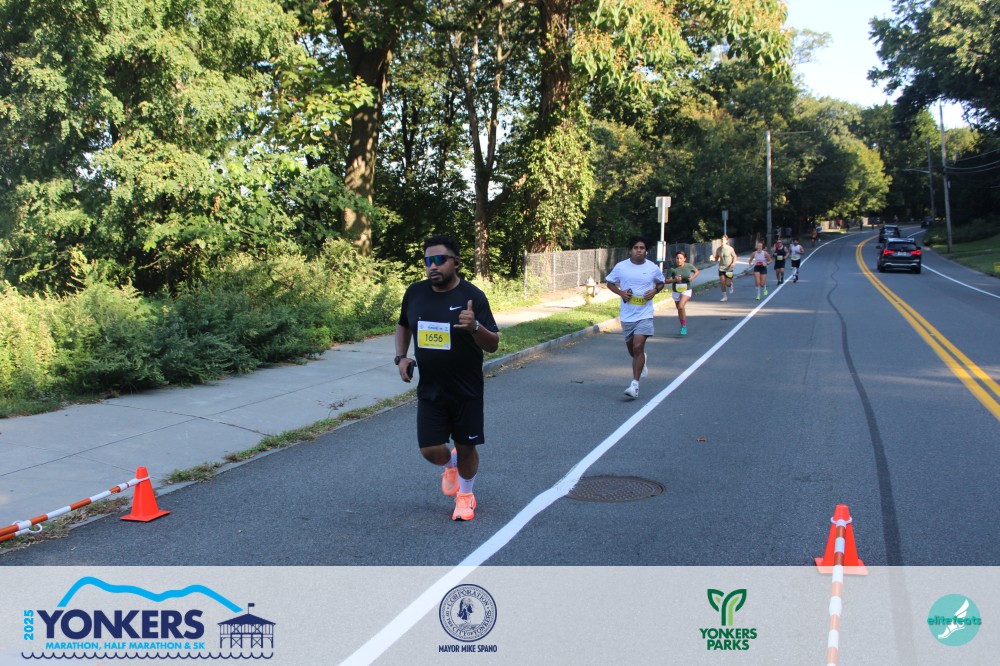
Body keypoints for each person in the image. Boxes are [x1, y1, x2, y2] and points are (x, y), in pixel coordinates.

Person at [395, 235, 500, 522]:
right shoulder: (415, 293)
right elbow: (403, 324)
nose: (433, 266)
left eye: (439, 260)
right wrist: (401, 356)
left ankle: (465, 496)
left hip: (466, 389)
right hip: (431, 387)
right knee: (430, 450)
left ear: (456, 262)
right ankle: (450, 463)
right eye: (428, 261)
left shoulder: (472, 296)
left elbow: (492, 344)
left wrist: (475, 326)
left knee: (467, 447)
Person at [606, 236, 666, 399]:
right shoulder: (621, 267)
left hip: (645, 314)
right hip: (627, 315)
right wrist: (621, 293)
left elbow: (661, 282)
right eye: (636, 248)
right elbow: (610, 283)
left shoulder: (652, 267)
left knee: (638, 346)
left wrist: (655, 291)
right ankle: (642, 359)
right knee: (633, 350)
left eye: (642, 248)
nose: (639, 250)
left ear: (646, 250)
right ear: (630, 250)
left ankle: (635, 385)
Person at [665, 250, 699, 336]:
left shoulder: (688, 266)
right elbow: (666, 280)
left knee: (681, 306)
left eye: (681, 258)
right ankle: (683, 325)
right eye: (677, 258)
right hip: (676, 290)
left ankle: (684, 327)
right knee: (680, 309)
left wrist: (692, 278)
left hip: (686, 289)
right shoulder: (672, 268)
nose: (679, 260)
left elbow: (697, 271)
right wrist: (674, 280)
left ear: (684, 259)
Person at [714, 235, 737, 302]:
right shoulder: (718, 249)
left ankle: (730, 284)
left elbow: (735, 256)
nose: (722, 241)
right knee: (722, 282)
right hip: (721, 268)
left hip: (729, 268)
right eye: (722, 239)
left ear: (727, 241)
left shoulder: (730, 248)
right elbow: (716, 258)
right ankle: (724, 296)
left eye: (724, 240)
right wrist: (713, 258)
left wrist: (733, 263)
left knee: (727, 283)